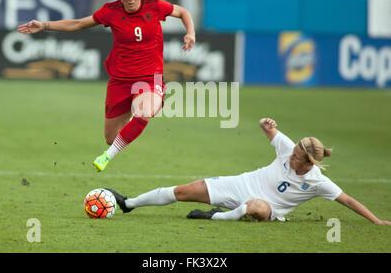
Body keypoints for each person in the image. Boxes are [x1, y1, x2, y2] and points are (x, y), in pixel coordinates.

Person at [17, 0, 196, 172]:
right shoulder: (110, 11)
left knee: (145, 111)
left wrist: (190, 32)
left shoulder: (154, 6)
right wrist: (45, 25)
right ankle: (129, 121)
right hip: (120, 80)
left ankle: (106, 157)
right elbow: (78, 24)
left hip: (150, 78)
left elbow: (182, 12)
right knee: (112, 138)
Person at [105, 117, 391, 225]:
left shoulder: (318, 182)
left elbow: (349, 200)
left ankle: (215, 217)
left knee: (257, 208)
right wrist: (267, 124)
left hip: (268, 208)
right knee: (182, 191)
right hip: (240, 184)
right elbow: (271, 131)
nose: (290, 158)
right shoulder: (287, 149)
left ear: (309, 163)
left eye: (295, 158)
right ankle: (129, 203)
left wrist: (376, 221)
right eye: (291, 153)